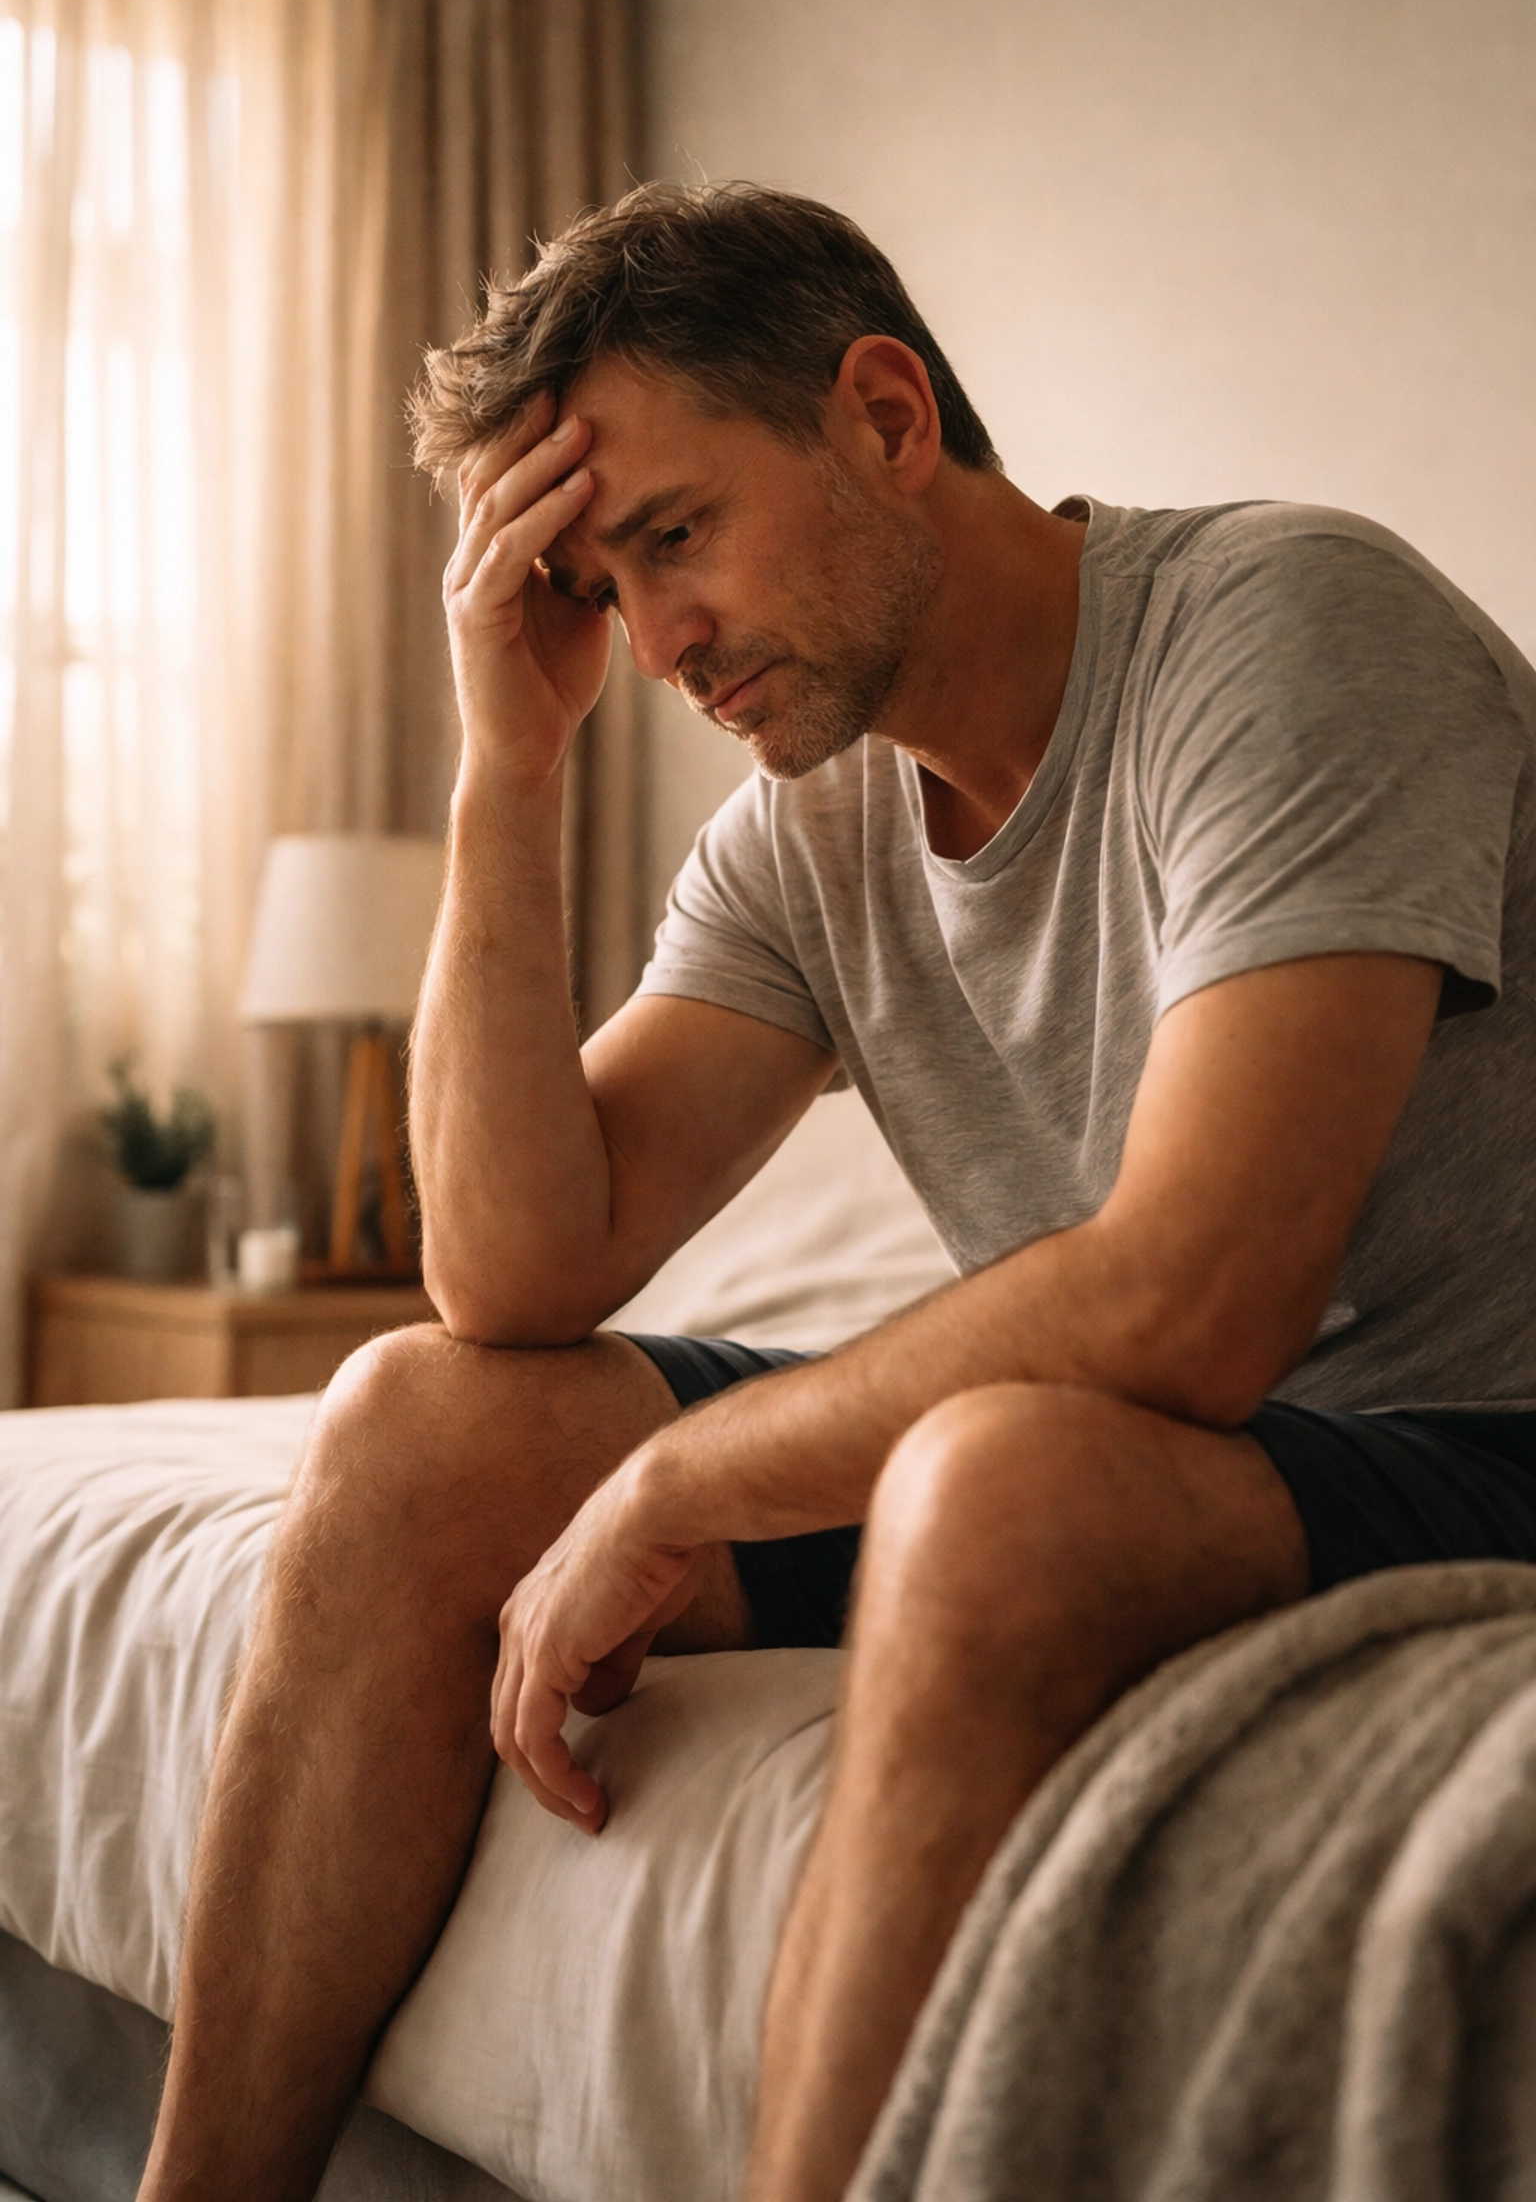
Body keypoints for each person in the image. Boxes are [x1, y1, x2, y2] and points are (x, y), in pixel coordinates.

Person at [138, 182, 1536, 2202]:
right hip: (1156, 1455)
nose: (659, 641)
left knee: (999, 1475)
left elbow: (1192, 1298)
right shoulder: (816, 824)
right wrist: (505, 769)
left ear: (887, 414)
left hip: (1479, 1442)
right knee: (413, 1421)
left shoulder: (1288, 624)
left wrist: (674, 1483)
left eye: (675, 536)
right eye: (603, 587)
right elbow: (513, 1270)